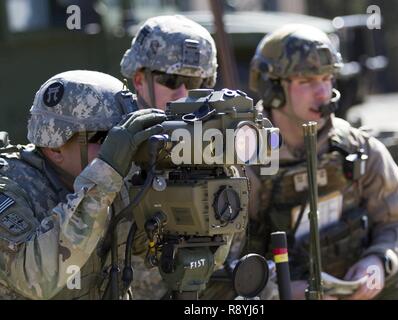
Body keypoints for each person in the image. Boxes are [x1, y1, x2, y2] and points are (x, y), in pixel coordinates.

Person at [245, 23, 398, 300]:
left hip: (353, 284)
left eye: (327, 79)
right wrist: (281, 291)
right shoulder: (244, 162)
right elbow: (225, 265)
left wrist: (378, 263)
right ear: (273, 90)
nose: (322, 93)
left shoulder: (358, 148)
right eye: (307, 81)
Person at [0, 70, 166, 299]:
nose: (122, 149)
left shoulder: (117, 183)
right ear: (54, 147)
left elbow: (162, 251)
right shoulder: (10, 185)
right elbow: (35, 278)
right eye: (105, 138)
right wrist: (106, 173)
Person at [119, 15, 229, 300]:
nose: (182, 94)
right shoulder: (111, 150)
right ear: (139, 80)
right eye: (171, 80)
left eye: (195, 82)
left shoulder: (221, 151)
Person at [120, 15, 218, 111]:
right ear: (139, 81)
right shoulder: (110, 123)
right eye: (171, 81)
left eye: (193, 83)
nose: (182, 96)